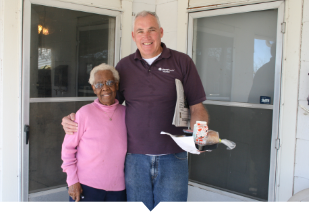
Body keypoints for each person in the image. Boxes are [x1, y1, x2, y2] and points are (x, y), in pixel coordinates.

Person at [62, 11, 209, 210]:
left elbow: (197, 106)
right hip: (134, 159)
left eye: (152, 30)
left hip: (173, 157)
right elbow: (106, 104)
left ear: (161, 32)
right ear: (133, 36)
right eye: (140, 31)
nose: (146, 37)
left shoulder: (182, 62)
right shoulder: (124, 66)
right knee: (137, 212)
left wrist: (200, 137)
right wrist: (75, 118)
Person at [61, 63, 127, 202]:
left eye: (109, 82)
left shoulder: (126, 113)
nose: (105, 88)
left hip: (118, 189)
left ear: (116, 85)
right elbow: (68, 149)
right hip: (86, 186)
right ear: (93, 89)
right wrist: (72, 181)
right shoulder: (84, 113)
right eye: (99, 85)